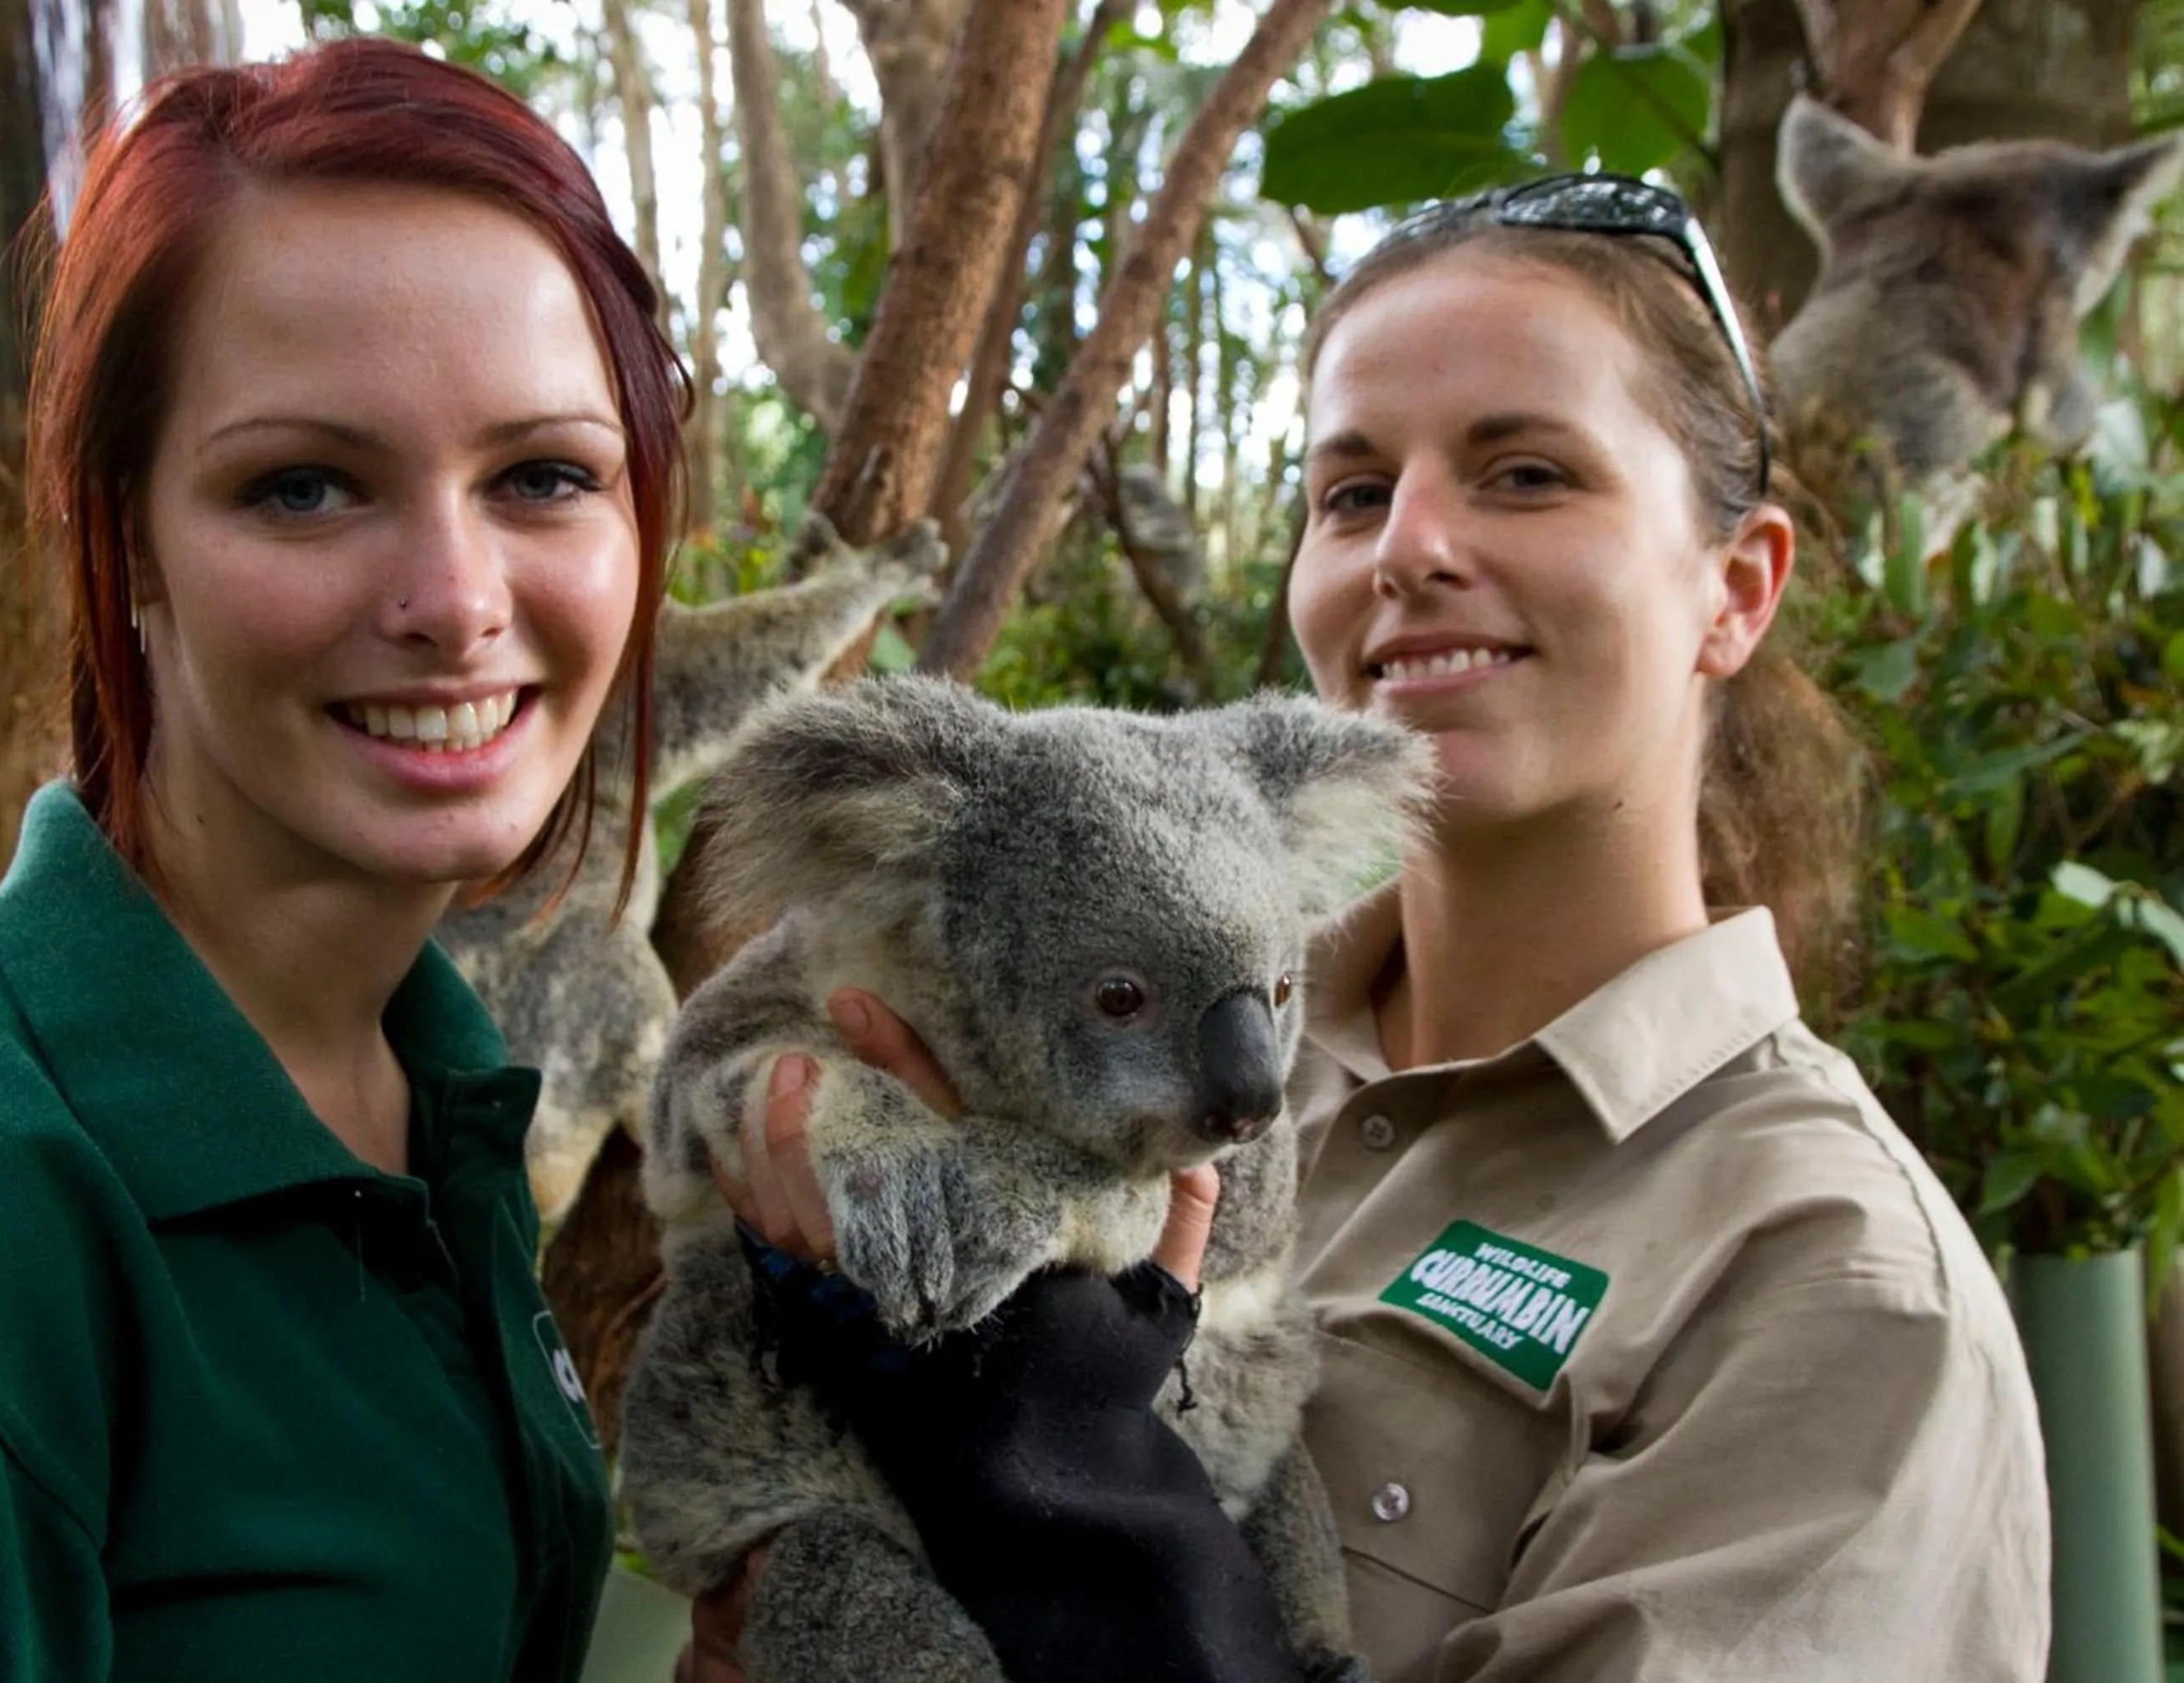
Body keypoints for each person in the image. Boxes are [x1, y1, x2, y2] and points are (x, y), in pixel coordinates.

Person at [692, 175, 2051, 1682]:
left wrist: (1054, 1466)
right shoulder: (1092, 1022)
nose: (1408, 546)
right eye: (1350, 493)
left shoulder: (1827, 1284)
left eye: (1525, 474)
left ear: (1736, 590)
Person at [0, 37, 682, 1680]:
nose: (456, 595)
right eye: (304, 485)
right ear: (123, 540)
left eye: (544, 475)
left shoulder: (428, 1088)